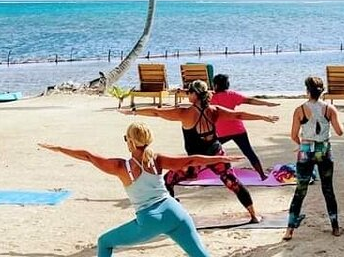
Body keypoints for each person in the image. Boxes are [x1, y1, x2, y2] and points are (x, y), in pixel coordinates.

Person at [38, 122, 244, 257]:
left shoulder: (122, 167)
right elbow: (191, 159)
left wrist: (58, 148)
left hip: (150, 220)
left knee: (104, 242)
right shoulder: (158, 160)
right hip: (176, 213)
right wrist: (222, 158)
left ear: (130, 141)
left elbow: (88, 155)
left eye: (126, 138)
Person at [119, 80, 279, 223]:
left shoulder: (185, 113)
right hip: (217, 155)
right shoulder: (214, 110)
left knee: (168, 181)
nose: (187, 94)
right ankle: (253, 216)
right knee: (234, 183)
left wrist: (133, 111)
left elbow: (156, 112)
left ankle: (171, 217)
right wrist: (262, 117)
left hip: (195, 161)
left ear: (195, 95)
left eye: (189, 92)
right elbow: (238, 114)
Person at [283, 76, 344, 241]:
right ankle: (335, 226)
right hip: (324, 150)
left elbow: (294, 135)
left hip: (306, 150)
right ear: (322, 90)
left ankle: (289, 230)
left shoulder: (299, 110)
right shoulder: (329, 109)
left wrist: (302, 144)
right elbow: (340, 132)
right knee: (328, 189)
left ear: (307, 91)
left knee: (300, 191)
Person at [210, 73, 280, 180]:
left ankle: (197, 173)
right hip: (238, 129)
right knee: (249, 152)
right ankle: (262, 175)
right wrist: (267, 103)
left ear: (215, 85)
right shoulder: (232, 95)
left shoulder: (211, 98)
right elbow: (250, 100)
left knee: (208, 151)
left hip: (222, 132)